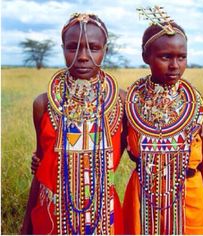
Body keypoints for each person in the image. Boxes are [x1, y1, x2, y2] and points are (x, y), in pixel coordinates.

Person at [21, 12, 126, 235]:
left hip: (105, 215)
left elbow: (137, 152)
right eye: (72, 48)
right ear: (62, 49)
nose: (83, 57)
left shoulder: (122, 102)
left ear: (105, 50)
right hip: (52, 216)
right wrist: (26, 228)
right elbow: (41, 169)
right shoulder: (44, 103)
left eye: (94, 48)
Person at [123, 6, 203, 235]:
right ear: (145, 57)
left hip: (191, 201)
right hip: (143, 201)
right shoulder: (130, 105)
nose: (175, 65)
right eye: (165, 56)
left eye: (182, 57)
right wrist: (44, 160)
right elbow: (108, 155)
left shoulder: (198, 109)